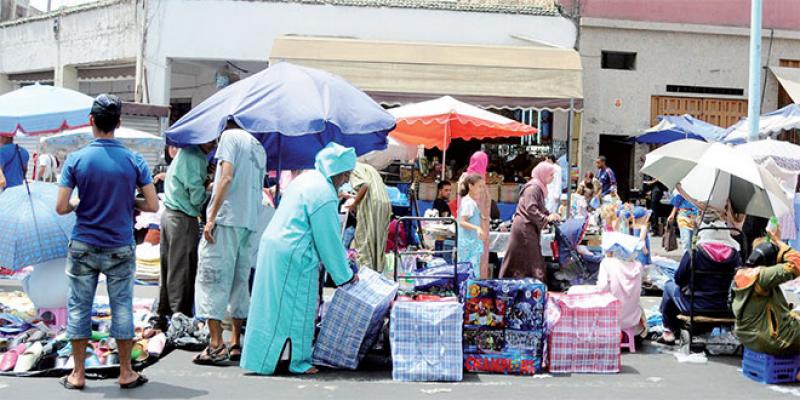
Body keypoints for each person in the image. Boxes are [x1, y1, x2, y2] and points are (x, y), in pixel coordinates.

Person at [55, 94, 158, 390]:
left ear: (91, 122)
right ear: (120, 123)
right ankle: (126, 372)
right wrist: (130, 200)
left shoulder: (76, 159)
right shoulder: (134, 159)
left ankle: (77, 374)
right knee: (122, 306)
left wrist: (78, 203)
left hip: (84, 244)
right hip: (120, 246)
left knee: (79, 307)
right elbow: (152, 205)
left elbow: (61, 207)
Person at [241, 143, 357, 375]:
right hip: (294, 254)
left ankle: (261, 358)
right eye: (345, 174)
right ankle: (298, 361)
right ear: (338, 171)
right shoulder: (324, 193)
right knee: (298, 308)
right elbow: (329, 240)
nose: (345, 180)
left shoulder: (306, 179)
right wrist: (345, 275)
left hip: (274, 247)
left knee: (269, 308)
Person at [193, 123, 267, 365]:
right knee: (239, 280)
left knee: (211, 278)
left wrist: (211, 217)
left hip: (226, 219)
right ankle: (235, 341)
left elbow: (226, 177)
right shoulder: (259, 147)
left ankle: (215, 344)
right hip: (248, 221)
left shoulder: (230, 137)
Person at [157, 140, 215, 329]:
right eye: (212, 141)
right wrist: (210, 189)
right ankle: (179, 316)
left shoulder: (188, 153)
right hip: (181, 218)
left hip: (171, 215)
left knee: (170, 266)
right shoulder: (194, 157)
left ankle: (165, 312)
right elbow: (196, 195)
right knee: (182, 268)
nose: (213, 145)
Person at [656, 213, 740, 345]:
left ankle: (668, 331)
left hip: (695, 304)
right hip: (725, 306)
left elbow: (679, 279)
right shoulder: (735, 255)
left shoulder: (694, 253)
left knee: (668, 286)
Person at [733, 230, 800, 355]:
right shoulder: (762, 276)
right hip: (771, 338)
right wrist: (779, 242)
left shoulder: (742, 274)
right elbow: (797, 262)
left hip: (748, 336)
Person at [499, 162, 560, 281]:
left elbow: (539, 207)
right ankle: (536, 286)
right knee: (533, 258)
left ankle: (519, 284)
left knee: (521, 258)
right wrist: (545, 219)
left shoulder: (538, 187)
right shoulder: (533, 188)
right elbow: (531, 208)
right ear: (543, 174)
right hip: (524, 227)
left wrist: (549, 214)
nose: (552, 178)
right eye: (551, 175)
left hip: (527, 226)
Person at [348, 162, 392, 272]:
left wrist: (354, 204)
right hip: (383, 203)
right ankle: (377, 272)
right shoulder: (368, 167)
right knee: (378, 243)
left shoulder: (353, 168)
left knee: (365, 242)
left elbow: (364, 185)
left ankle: (366, 275)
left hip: (371, 204)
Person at [457, 151, 491, 278]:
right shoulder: (475, 181)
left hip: (469, 226)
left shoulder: (465, 178)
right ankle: (476, 287)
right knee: (476, 261)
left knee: (467, 261)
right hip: (475, 225)